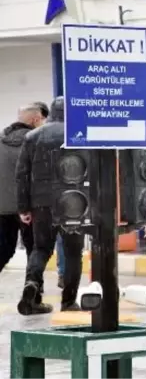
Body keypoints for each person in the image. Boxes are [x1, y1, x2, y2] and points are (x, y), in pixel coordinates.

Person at [15, 96, 85, 315]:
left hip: (41, 203)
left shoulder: (33, 136)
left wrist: (24, 207)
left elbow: (21, 174)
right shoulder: (79, 134)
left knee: (41, 248)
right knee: (73, 252)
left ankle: (32, 287)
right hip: (73, 202)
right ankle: (69, 301)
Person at [0, 104, 45, 273]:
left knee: (4, 250)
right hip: (29, 207)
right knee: (35, 251)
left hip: (3, 208)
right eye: (41, 119)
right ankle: (33, 293)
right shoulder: (37, 141)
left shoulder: (1, 139)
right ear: (35, 120)